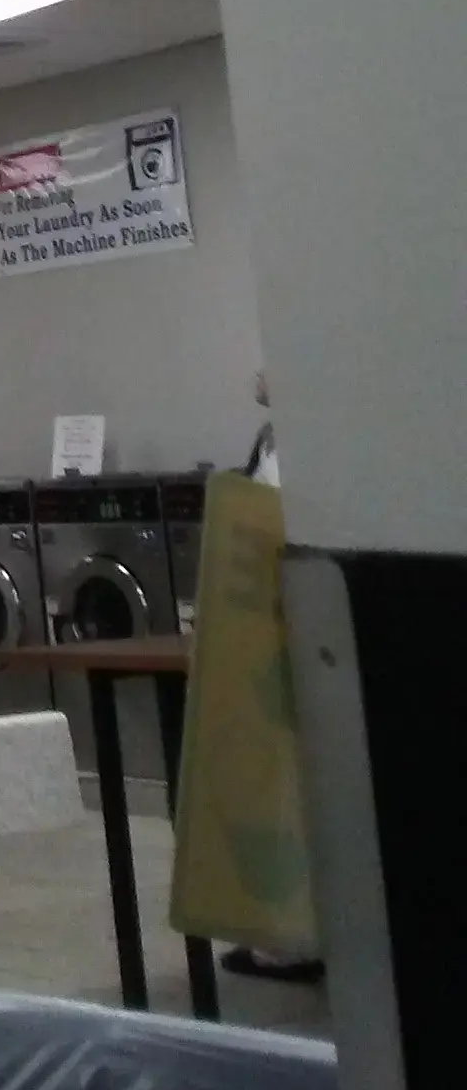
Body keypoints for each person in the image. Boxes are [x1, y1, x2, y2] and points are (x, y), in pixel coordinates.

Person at [218, 368, 326, 985]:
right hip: (297, 628)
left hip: (289, 632)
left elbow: (272, 530)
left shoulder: (290, 446)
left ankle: (292, 943)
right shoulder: (279, 440)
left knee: (294, 789)